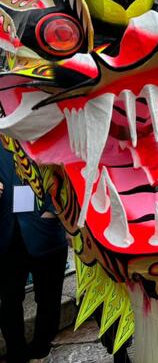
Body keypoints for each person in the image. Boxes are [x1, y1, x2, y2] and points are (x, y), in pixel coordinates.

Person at [0, 138, 69, 363]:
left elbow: (68, 171)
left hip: (45, 232)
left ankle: (41, 348)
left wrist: (52, 211)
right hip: (7, 234)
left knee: (48, 299)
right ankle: (16, 353)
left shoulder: (47, 131)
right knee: (9, 300)